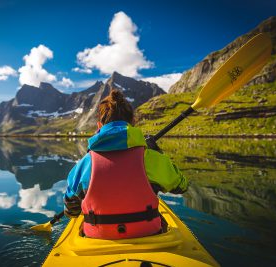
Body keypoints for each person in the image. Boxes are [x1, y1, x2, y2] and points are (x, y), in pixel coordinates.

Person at [64, 89, 188, 240]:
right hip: (149, 234)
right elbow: (182, 186)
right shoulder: (151, 158)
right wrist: (157, 153)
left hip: (97, 238)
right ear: (133, 122)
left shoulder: (83, 165)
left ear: (99, 126)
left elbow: (71, 211)